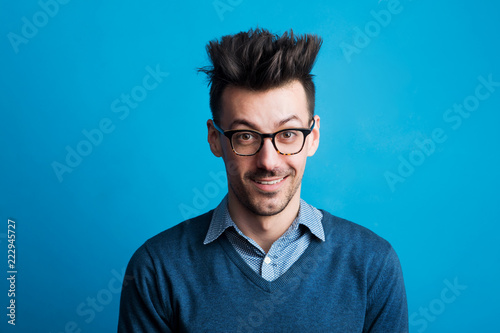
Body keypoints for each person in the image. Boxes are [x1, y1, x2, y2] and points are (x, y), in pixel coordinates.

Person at [118, 28, 408, 332]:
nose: (268, 161)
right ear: (215, 139)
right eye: (245, 136)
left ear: (314, 136)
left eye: (288, 134)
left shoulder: (373, 264)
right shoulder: (157, 269)